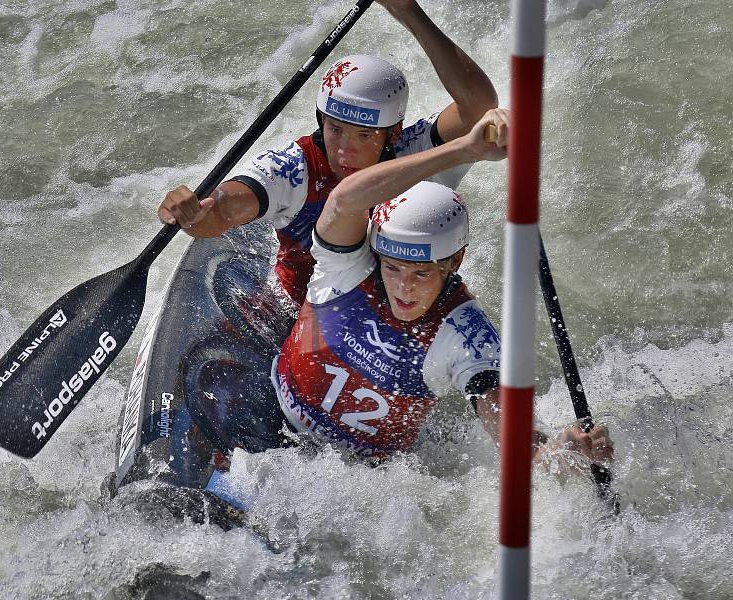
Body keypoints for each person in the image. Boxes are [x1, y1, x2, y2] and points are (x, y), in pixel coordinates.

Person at [192, 109, 613, 504]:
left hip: (356, 480)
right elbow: (344, 200)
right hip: (268, 410)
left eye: (421, 274)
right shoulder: (348, 264)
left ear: (454, 262)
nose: (403, 288)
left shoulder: (467, 336)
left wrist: (562, 451)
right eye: (392, 268)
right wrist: (465, 149)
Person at [157, 0, 499, 306]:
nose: (344, 149)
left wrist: (408, 10)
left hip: (404, 313)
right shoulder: (290, 170)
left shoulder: (412, 151)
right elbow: (223, 212)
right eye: (335, 130)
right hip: (309, 314)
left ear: (392, 133)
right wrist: (195, 214)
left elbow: (480, 109)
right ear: (321, 121)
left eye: (364, 135)